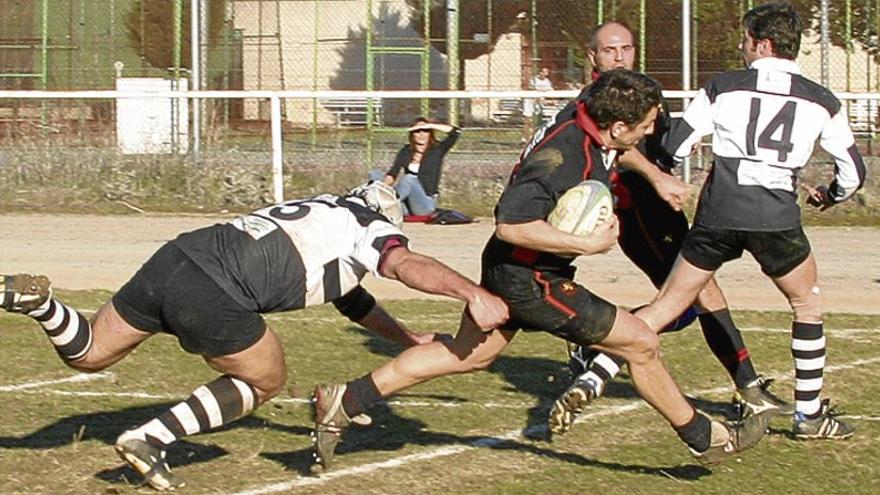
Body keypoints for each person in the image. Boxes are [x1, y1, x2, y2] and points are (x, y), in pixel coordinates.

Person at [310, 70, 772, 474]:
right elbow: (510, 223)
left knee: (469, 355)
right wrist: (584, 243)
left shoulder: (588, 118)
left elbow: (619, 152)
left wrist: (655, 176)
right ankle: (706, 438)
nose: (652, 133)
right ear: (617, 126)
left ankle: (345, 400)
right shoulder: (565, 157)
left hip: (515, 271)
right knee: (642, 342)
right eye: (647, 126)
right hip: (533, 281)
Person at [0, 181, 508, 491]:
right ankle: (148, 438)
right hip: (217, 288)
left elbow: (352, 300)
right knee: (265, 380)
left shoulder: (324, 211)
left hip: (176, 256)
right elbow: (403, 264)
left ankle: (41, 304)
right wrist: (470, 292)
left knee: (89, 352)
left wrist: (406, 336)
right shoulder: (370, 228)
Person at [635, 2, 866, 440]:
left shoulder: (723, 87)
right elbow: (854, 173)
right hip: (776, 216)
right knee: (806, 304)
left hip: (720, 211)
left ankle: (598, 370)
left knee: (669, 302)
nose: (742, 48)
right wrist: (830, 196)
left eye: (745, 40)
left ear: (762, 43)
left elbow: (677, 147)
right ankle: (809, 416)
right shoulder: (821, 99)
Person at [550, 21, 791, 436]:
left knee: (688, 299)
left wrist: (680, 147)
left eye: (626, 48)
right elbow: (615, 150)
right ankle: (747, 386)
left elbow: (661, 140)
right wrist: (657, 177)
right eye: (610, 50)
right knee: (694, 294)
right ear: (592, 57)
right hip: (635, 212)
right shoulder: (591, 101)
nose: (620, 56)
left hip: (659, 209)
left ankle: (597, 342)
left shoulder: (643, 90)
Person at [376, 117, 460, 216]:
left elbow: (455, 132)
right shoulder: (406, 151)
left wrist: (430, 125)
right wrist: (381, 187)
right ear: (412, 134)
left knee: (409, 178)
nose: (421, 135)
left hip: (425, 204)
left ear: (430, 134)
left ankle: (384, 204)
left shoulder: (437, 150)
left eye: (425, 131)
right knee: (375, 174)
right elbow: (393, 173)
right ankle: (382, 202)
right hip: (406, 203)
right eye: (417, 131)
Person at [522, 66, 555, 142]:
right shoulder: (534, 80)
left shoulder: (547, 81)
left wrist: (552, 100)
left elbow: (551, 91)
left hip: (539, 104)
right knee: (528, 120)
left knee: (537, 120)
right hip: (530, 102)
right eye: (544, 72)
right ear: (540, 73)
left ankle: (535, 137)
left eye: (546, 72)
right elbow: (531, 89)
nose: (545, 74)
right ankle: (525, 137)